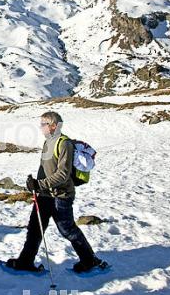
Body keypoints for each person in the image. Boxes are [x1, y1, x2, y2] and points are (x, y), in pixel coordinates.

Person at [6, 111, 104, 273]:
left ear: (53, 126)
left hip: (60, 195)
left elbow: (63, 174)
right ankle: (25, 261)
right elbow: (46, 168)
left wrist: (39, 184)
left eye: (43, 124)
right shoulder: (48, 142)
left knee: (67, 229)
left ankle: (90, 260)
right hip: (44, 194)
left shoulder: (63, 144)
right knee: (35, 228)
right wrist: (35, 184)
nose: (41, 127)